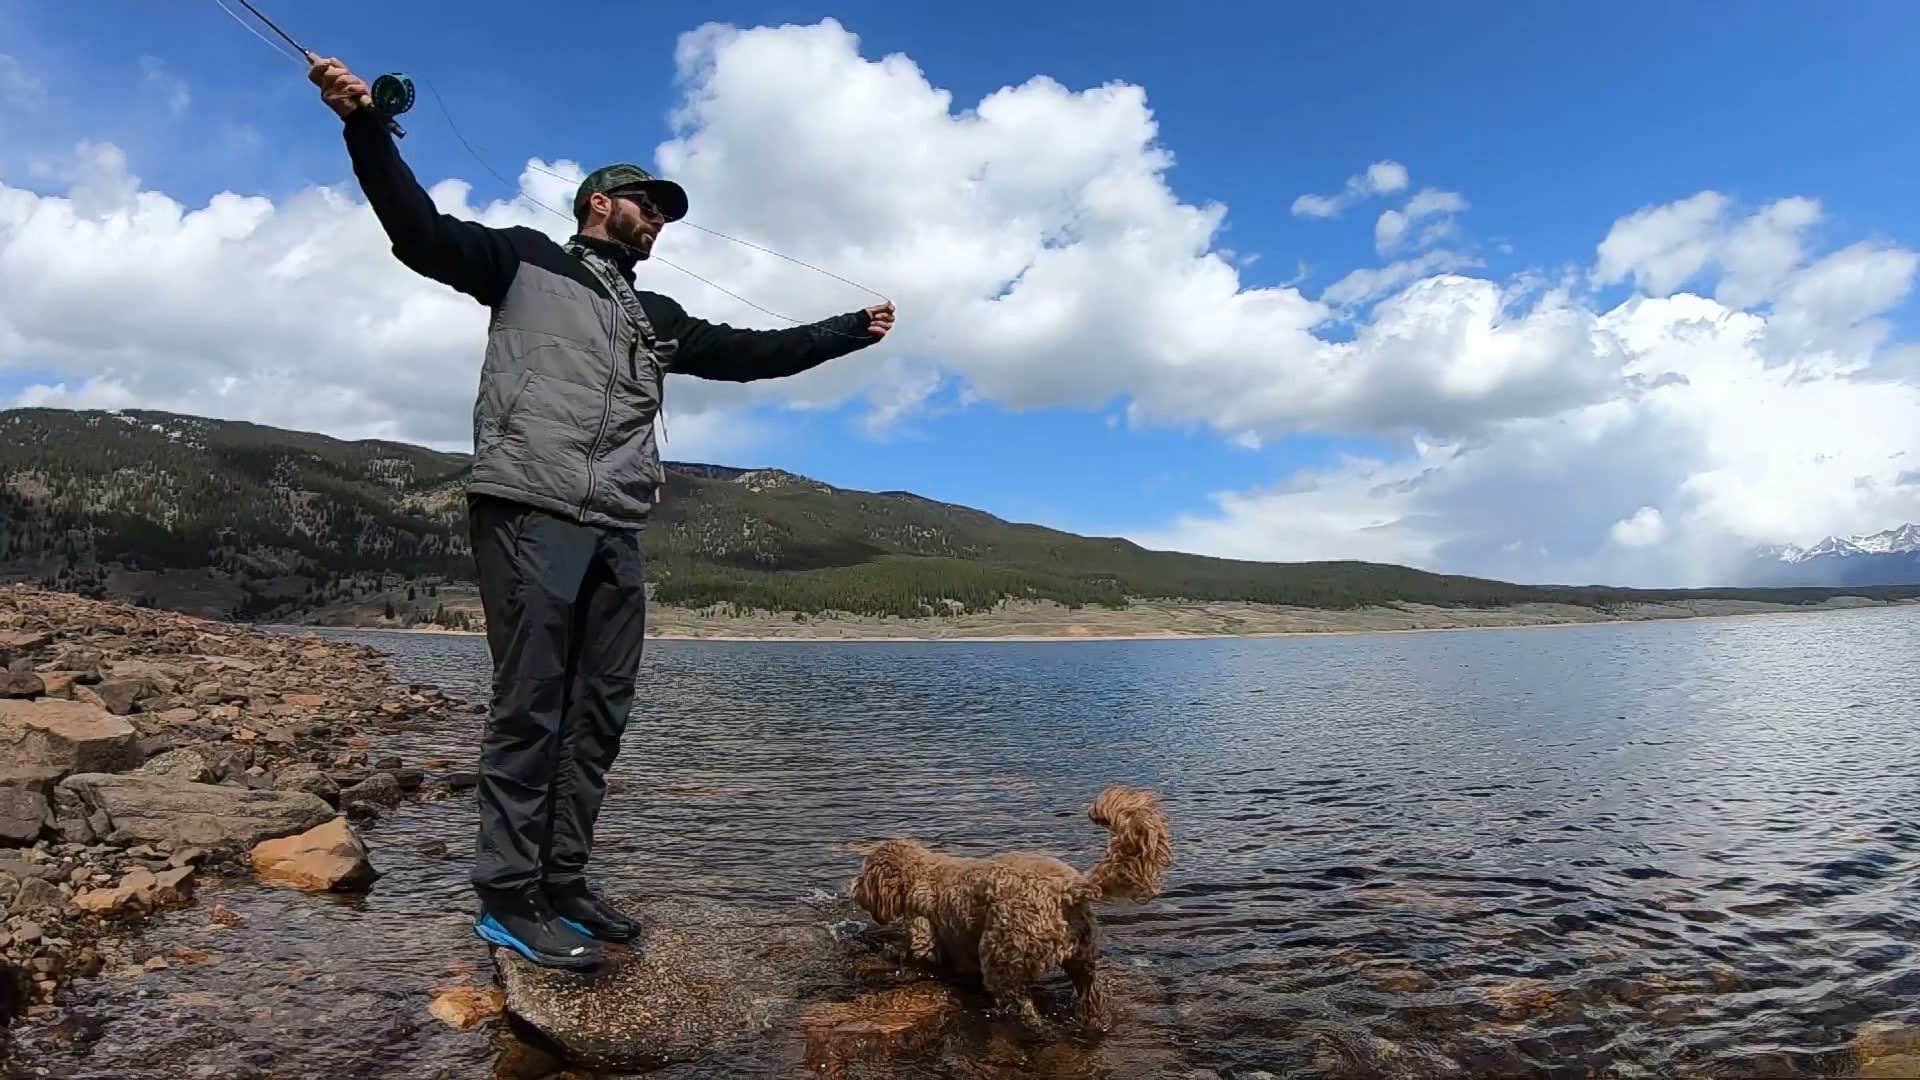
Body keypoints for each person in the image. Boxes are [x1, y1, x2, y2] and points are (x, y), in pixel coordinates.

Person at [309, 56, 894, 971]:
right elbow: (416, 232)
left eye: (663, 209)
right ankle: (507, 897)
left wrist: (848, 330)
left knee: (599, 713)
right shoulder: (522, 261)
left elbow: (752, 353)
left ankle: (564, 881)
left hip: (615, 528)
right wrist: (363, 128)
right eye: (645, 201)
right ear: (597, 204)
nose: (658, 217)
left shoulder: (655, 313)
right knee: (532, 703)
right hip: (530, 505)